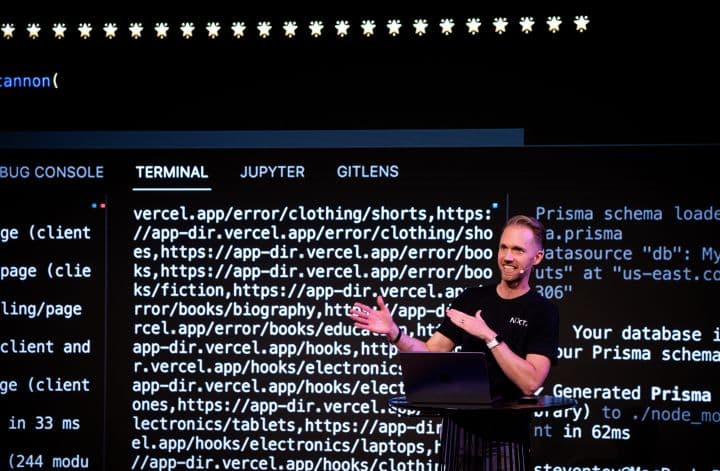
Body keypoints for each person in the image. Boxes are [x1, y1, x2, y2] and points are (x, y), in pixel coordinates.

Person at [348, 214, 559, 469]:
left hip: (507, 434)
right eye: (503, 247)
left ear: (537, 258)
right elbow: (429, 352)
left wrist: (489, 336)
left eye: (518, 250)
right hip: (459, 431)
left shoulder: (541, 310)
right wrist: (395, 334)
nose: (508, 257)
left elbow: (530, 382)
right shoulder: (471, 299)